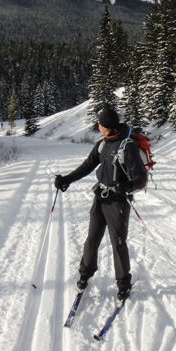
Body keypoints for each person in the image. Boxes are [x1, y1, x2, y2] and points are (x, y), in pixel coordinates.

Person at [54, 107, 147, 301]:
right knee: (92, 239)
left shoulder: (127, 147)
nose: (98, 126)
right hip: (100, 196)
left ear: (107, 127)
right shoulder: (102, 144)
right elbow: (88, 165)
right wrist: (67, 179)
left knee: (118, 243)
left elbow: (141, 177)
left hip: (118, 202)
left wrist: (126, 187)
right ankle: (85, 274)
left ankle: (123, 284)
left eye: (100, 124)